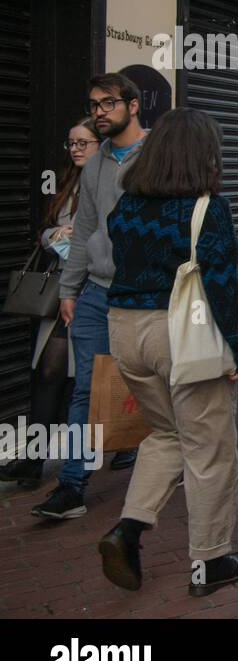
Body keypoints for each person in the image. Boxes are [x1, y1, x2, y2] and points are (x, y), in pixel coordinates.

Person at [96, 108, 238, 596]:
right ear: (203, 154)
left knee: (167, 434)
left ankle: (126, 529)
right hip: (180, 336)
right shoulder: (207, 209)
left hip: (125, 332)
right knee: (209, 450)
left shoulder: (126, 206)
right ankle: (209, 563)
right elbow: (227, 284)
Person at [36, 74, 147, 521]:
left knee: (154, 385)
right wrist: (69, 289)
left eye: (108, 103)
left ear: (133, 106)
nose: (99, 111)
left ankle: (161, 458)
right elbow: (82, 232)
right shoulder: (97, 165)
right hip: (96, 294)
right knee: (86, 388)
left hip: (145, 296)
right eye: (94, 104)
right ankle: (72, 485)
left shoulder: (155, 154)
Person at [1, 119, 97, 488]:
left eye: (83, 143)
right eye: (71, 143)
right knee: (51, 373)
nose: (75, 149)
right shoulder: (66, 184)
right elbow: (43, 231)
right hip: (60, 288)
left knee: (76, 379)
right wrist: (54, 234)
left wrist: (85, 237)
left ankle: (67, 465)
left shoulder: (110, 182)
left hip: (91, 290)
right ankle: (35, 459)